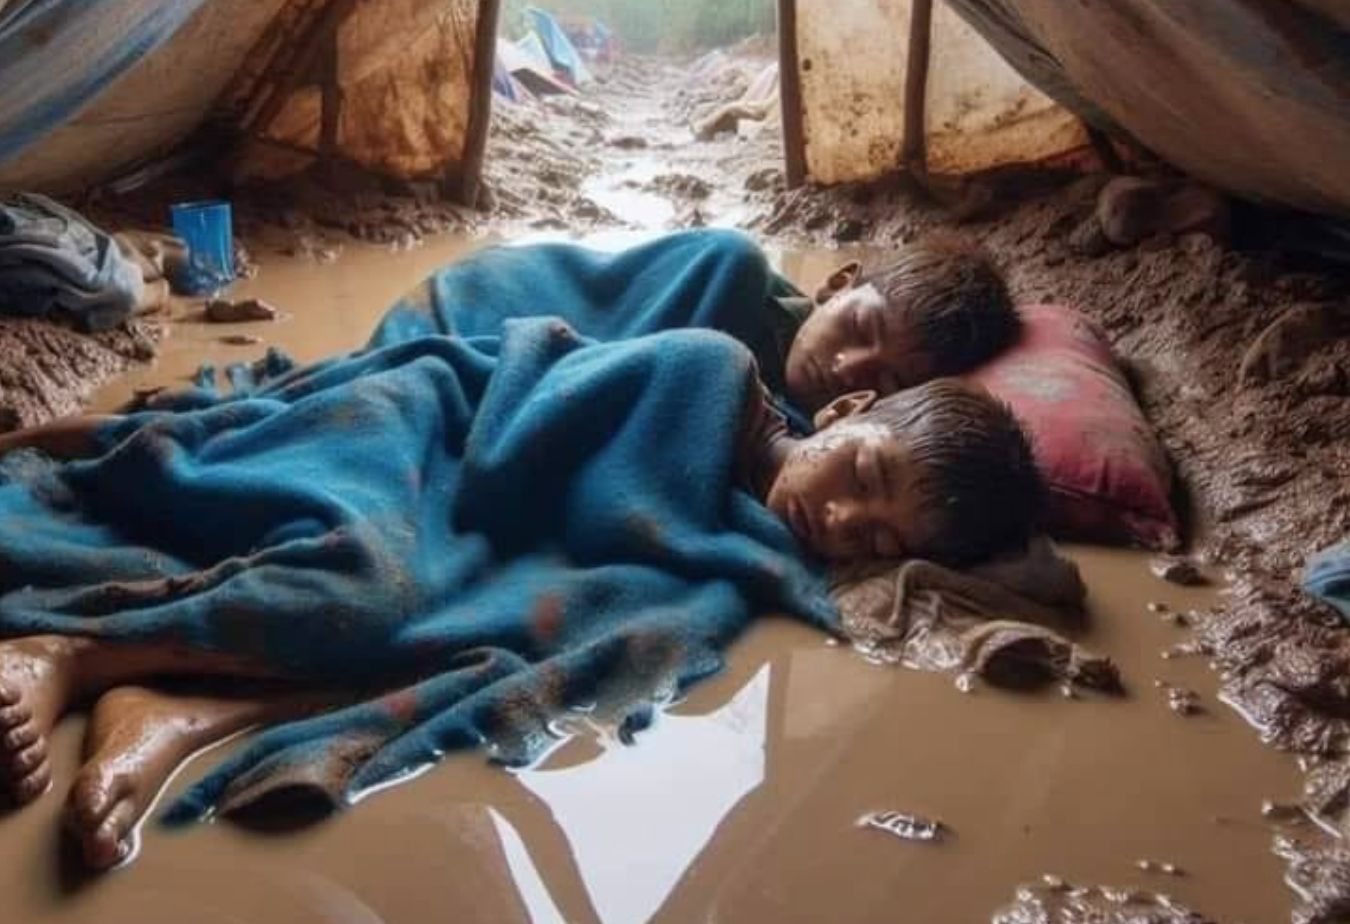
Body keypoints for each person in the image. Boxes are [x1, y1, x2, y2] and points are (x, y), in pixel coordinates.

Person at [0, 324, 1040, 869]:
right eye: (862, 474)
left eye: (883, 537)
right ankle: (74, 649)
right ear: (845, 409)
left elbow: (609, 578)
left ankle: (181, 711)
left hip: (486, 546)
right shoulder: (716, 373)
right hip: (433, 438)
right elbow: (533, 450)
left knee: (503, 629)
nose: (851, 524)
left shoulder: (750, 551)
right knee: (377, 588)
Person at [370, 229, 1018, 419]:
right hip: (479, 306)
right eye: (858, 329)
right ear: (839, 284)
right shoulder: (728, 274)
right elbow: (604, 380)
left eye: (885, 381)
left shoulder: (824, 425)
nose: (846, 368)